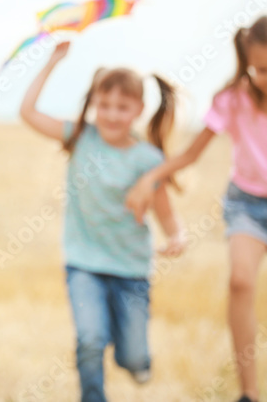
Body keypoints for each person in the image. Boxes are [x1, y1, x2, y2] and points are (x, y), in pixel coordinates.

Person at [20, 39, 185, 402]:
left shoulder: (147, 158)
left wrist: (177, 235)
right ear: (93, 103)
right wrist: (52, 62)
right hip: (84, 265)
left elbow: (164, 209)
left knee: (133, 356)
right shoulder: (81, 138)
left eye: (122, 107)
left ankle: (138, 360)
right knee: (90, 340)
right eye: (104, 105)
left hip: (131, 271)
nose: (111, 114)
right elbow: (28, 112)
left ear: (139, 109)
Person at [126, 16, 267, 402]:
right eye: (260, 70)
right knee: (240, 281)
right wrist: (148, 178)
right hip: (248, 205)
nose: (266, 78)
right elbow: (189, 154)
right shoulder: (232, 100)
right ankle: (249, 394)